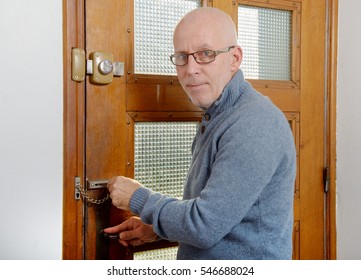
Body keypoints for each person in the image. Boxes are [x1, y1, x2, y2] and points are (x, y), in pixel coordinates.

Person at [104, 7, 296, 260]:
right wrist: (156, 228)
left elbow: (204, 226)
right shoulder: (219, 113)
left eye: (205, 54)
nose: (190, 69)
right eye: (182, 56)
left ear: (235, 58)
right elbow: (221, 215)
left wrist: (139, 199)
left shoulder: (253, 123)